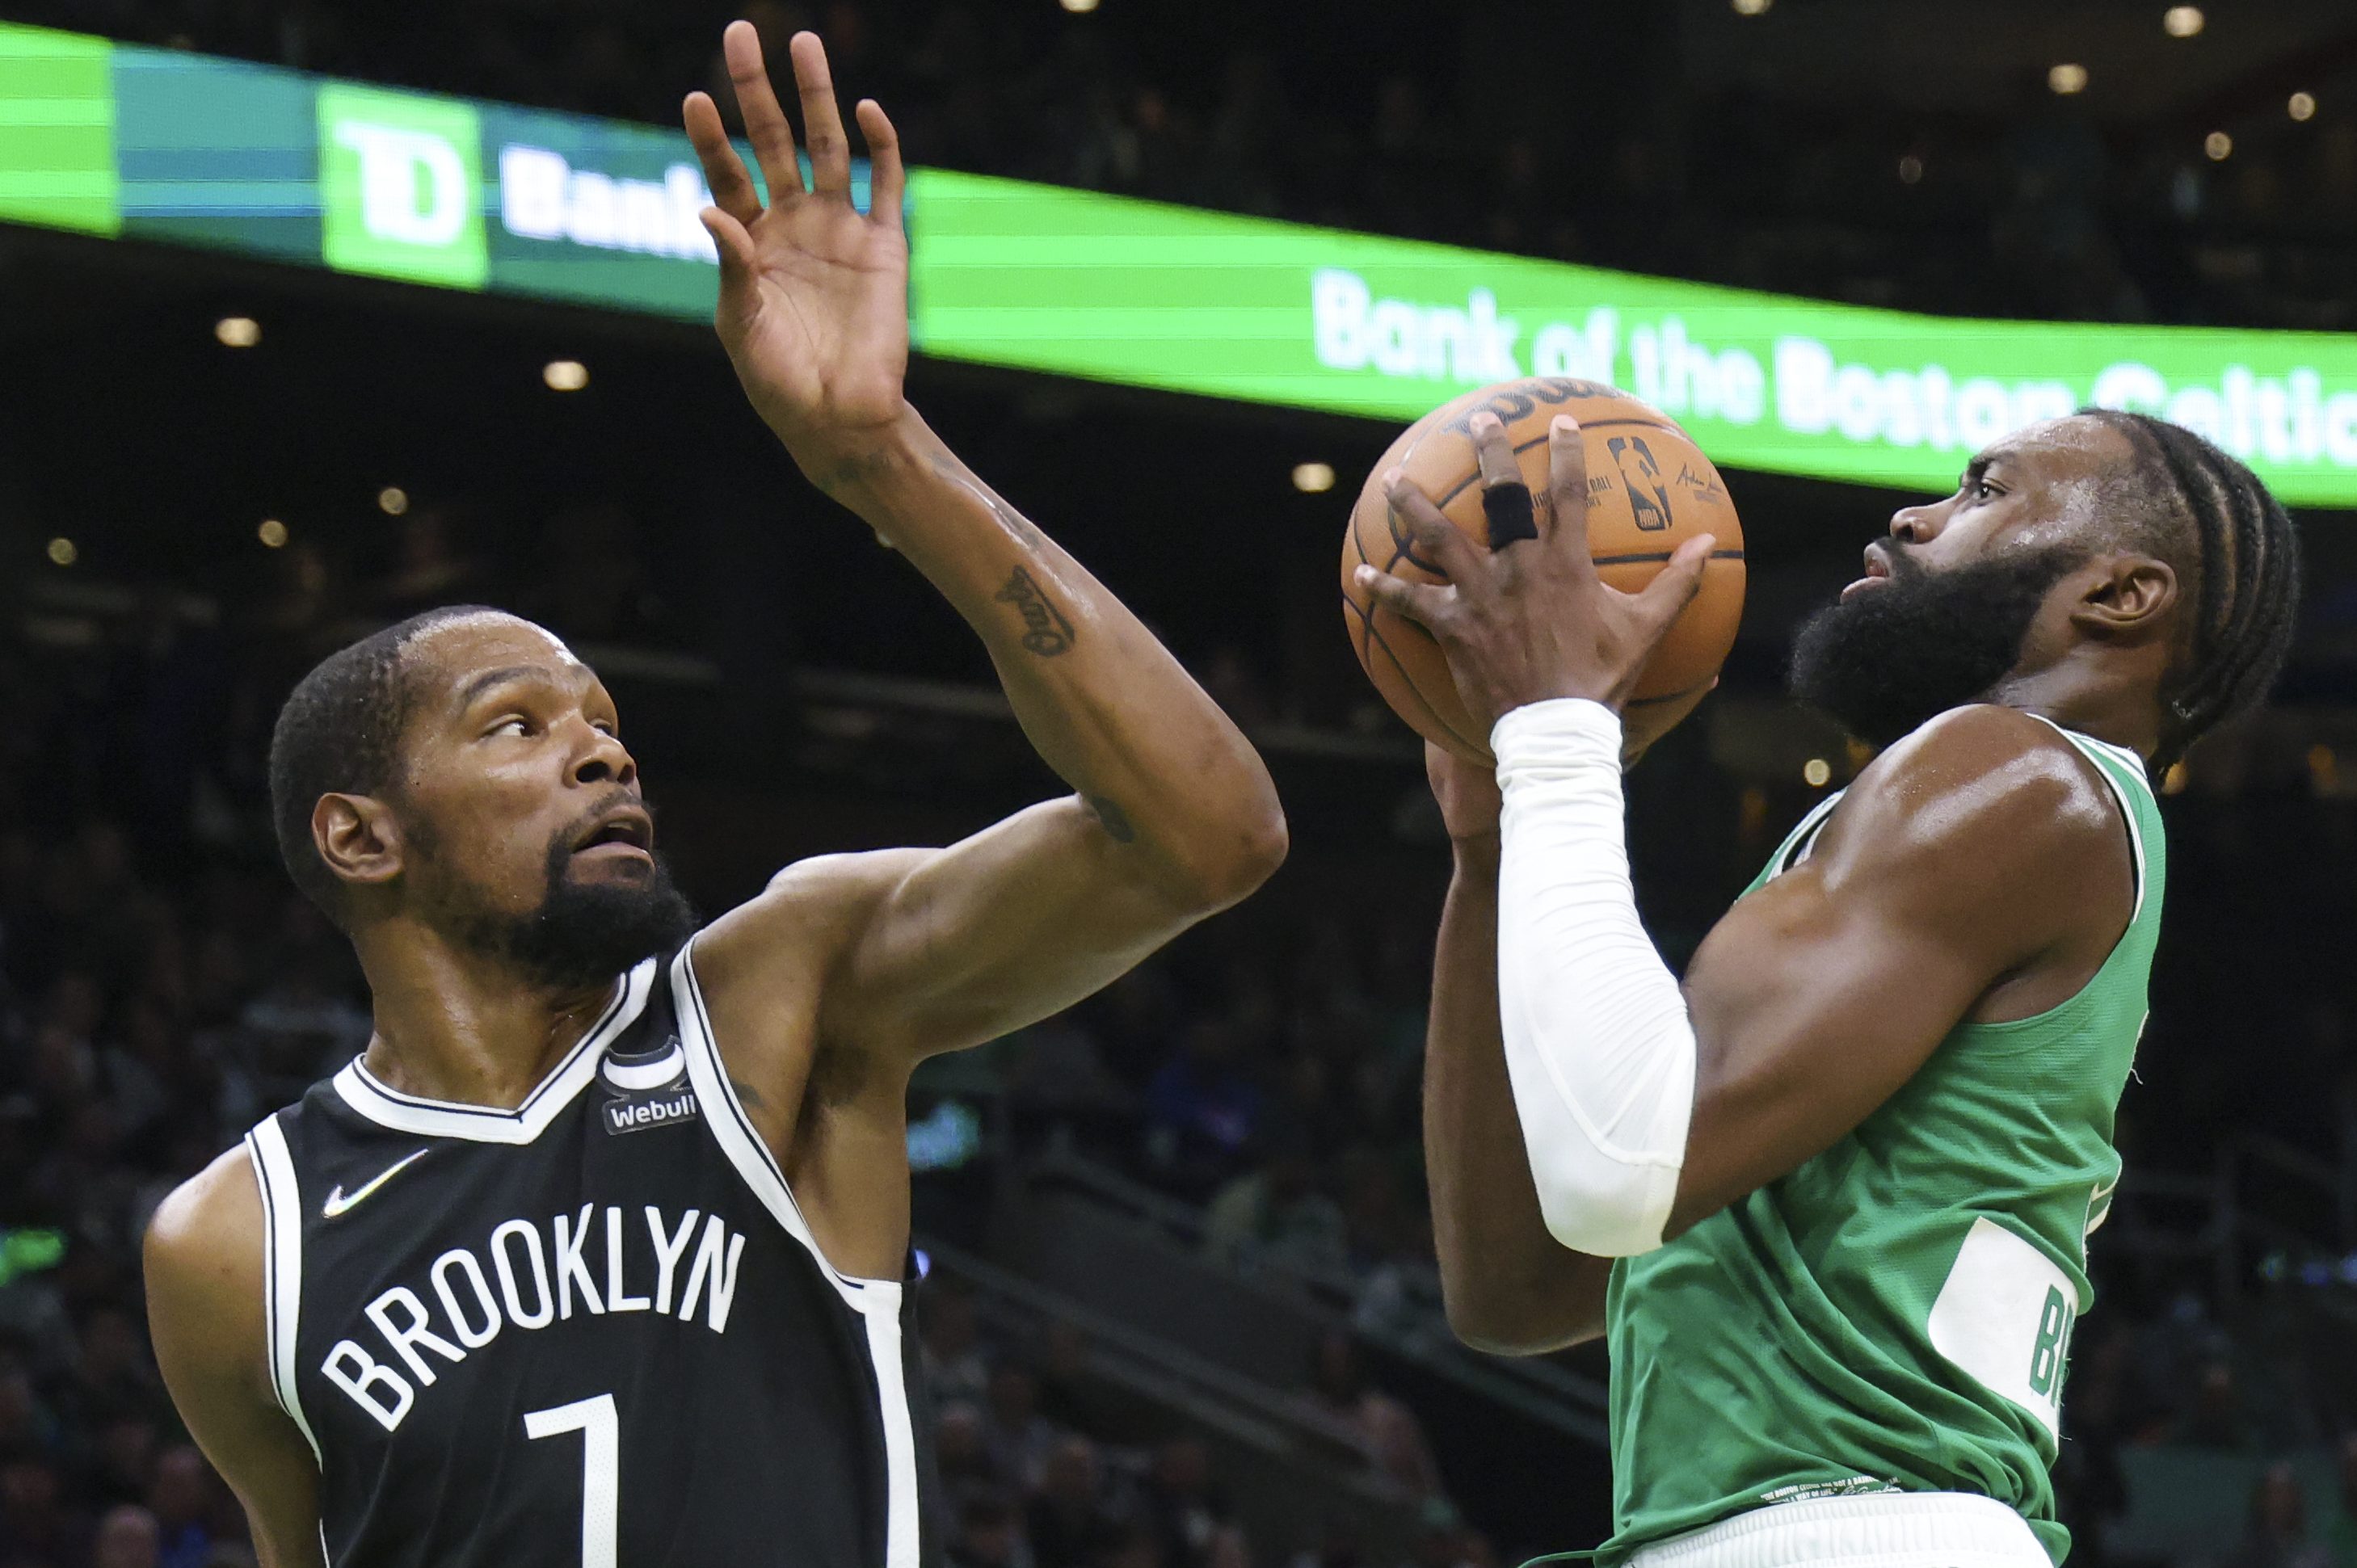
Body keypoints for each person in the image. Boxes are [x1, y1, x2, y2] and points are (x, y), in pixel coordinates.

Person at [140, 23, 1286, 1568]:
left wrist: (881, 455)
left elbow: (1209, 835)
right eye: (520, 726)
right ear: (361, 834)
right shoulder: (234, 1239)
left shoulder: (778, 994)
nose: (604, 751)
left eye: (606, 723)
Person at [1355, 404, 2300, 1565]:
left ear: (2120, 594)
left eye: (1984, 492)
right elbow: (1520, 1286)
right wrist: (1495, 852)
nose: (1913, 515)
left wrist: (1559, 731)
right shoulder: (1976, 822)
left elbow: (1616, 1166)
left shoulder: (2016, 776)